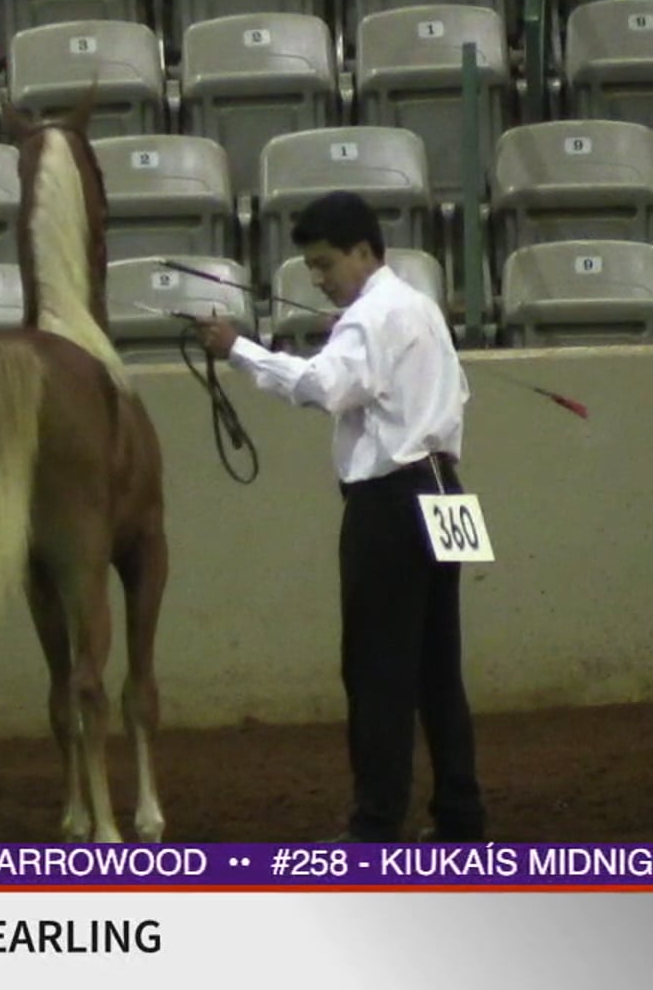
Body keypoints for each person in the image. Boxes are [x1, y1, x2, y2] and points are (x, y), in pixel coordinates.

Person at [191, 190, 486, 843]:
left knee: (377, 669)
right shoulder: (421, 307)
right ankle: (461, 814)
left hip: (390, 500)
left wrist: (239, 349)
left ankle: (377, 823)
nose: (321, 279)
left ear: (363, 251)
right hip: (446, 490)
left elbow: (322, 387)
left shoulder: (368, 318)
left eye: (325, 264)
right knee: (439, 668)